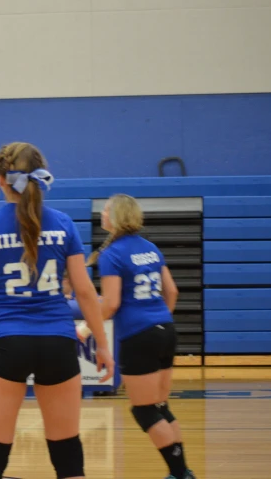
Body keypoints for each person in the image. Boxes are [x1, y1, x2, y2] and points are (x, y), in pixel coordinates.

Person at [0, 142, 114, 479]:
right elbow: (86, 292)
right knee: (67, 454)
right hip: (56, 342)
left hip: (4, 343)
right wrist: (102, 344)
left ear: (1, 179)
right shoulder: (63, 224)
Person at [84, 194, 194, 479]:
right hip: (165, 330)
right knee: (159, 406)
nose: (103, 215)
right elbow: (172, 292)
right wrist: (158, 318)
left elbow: (110, 304)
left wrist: (85, 328)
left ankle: (180, 474)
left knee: (144, 411)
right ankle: (181, 472)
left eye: (107, 210)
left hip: (139, 336)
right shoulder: (150, 248)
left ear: (117, 216)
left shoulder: (112, 254)